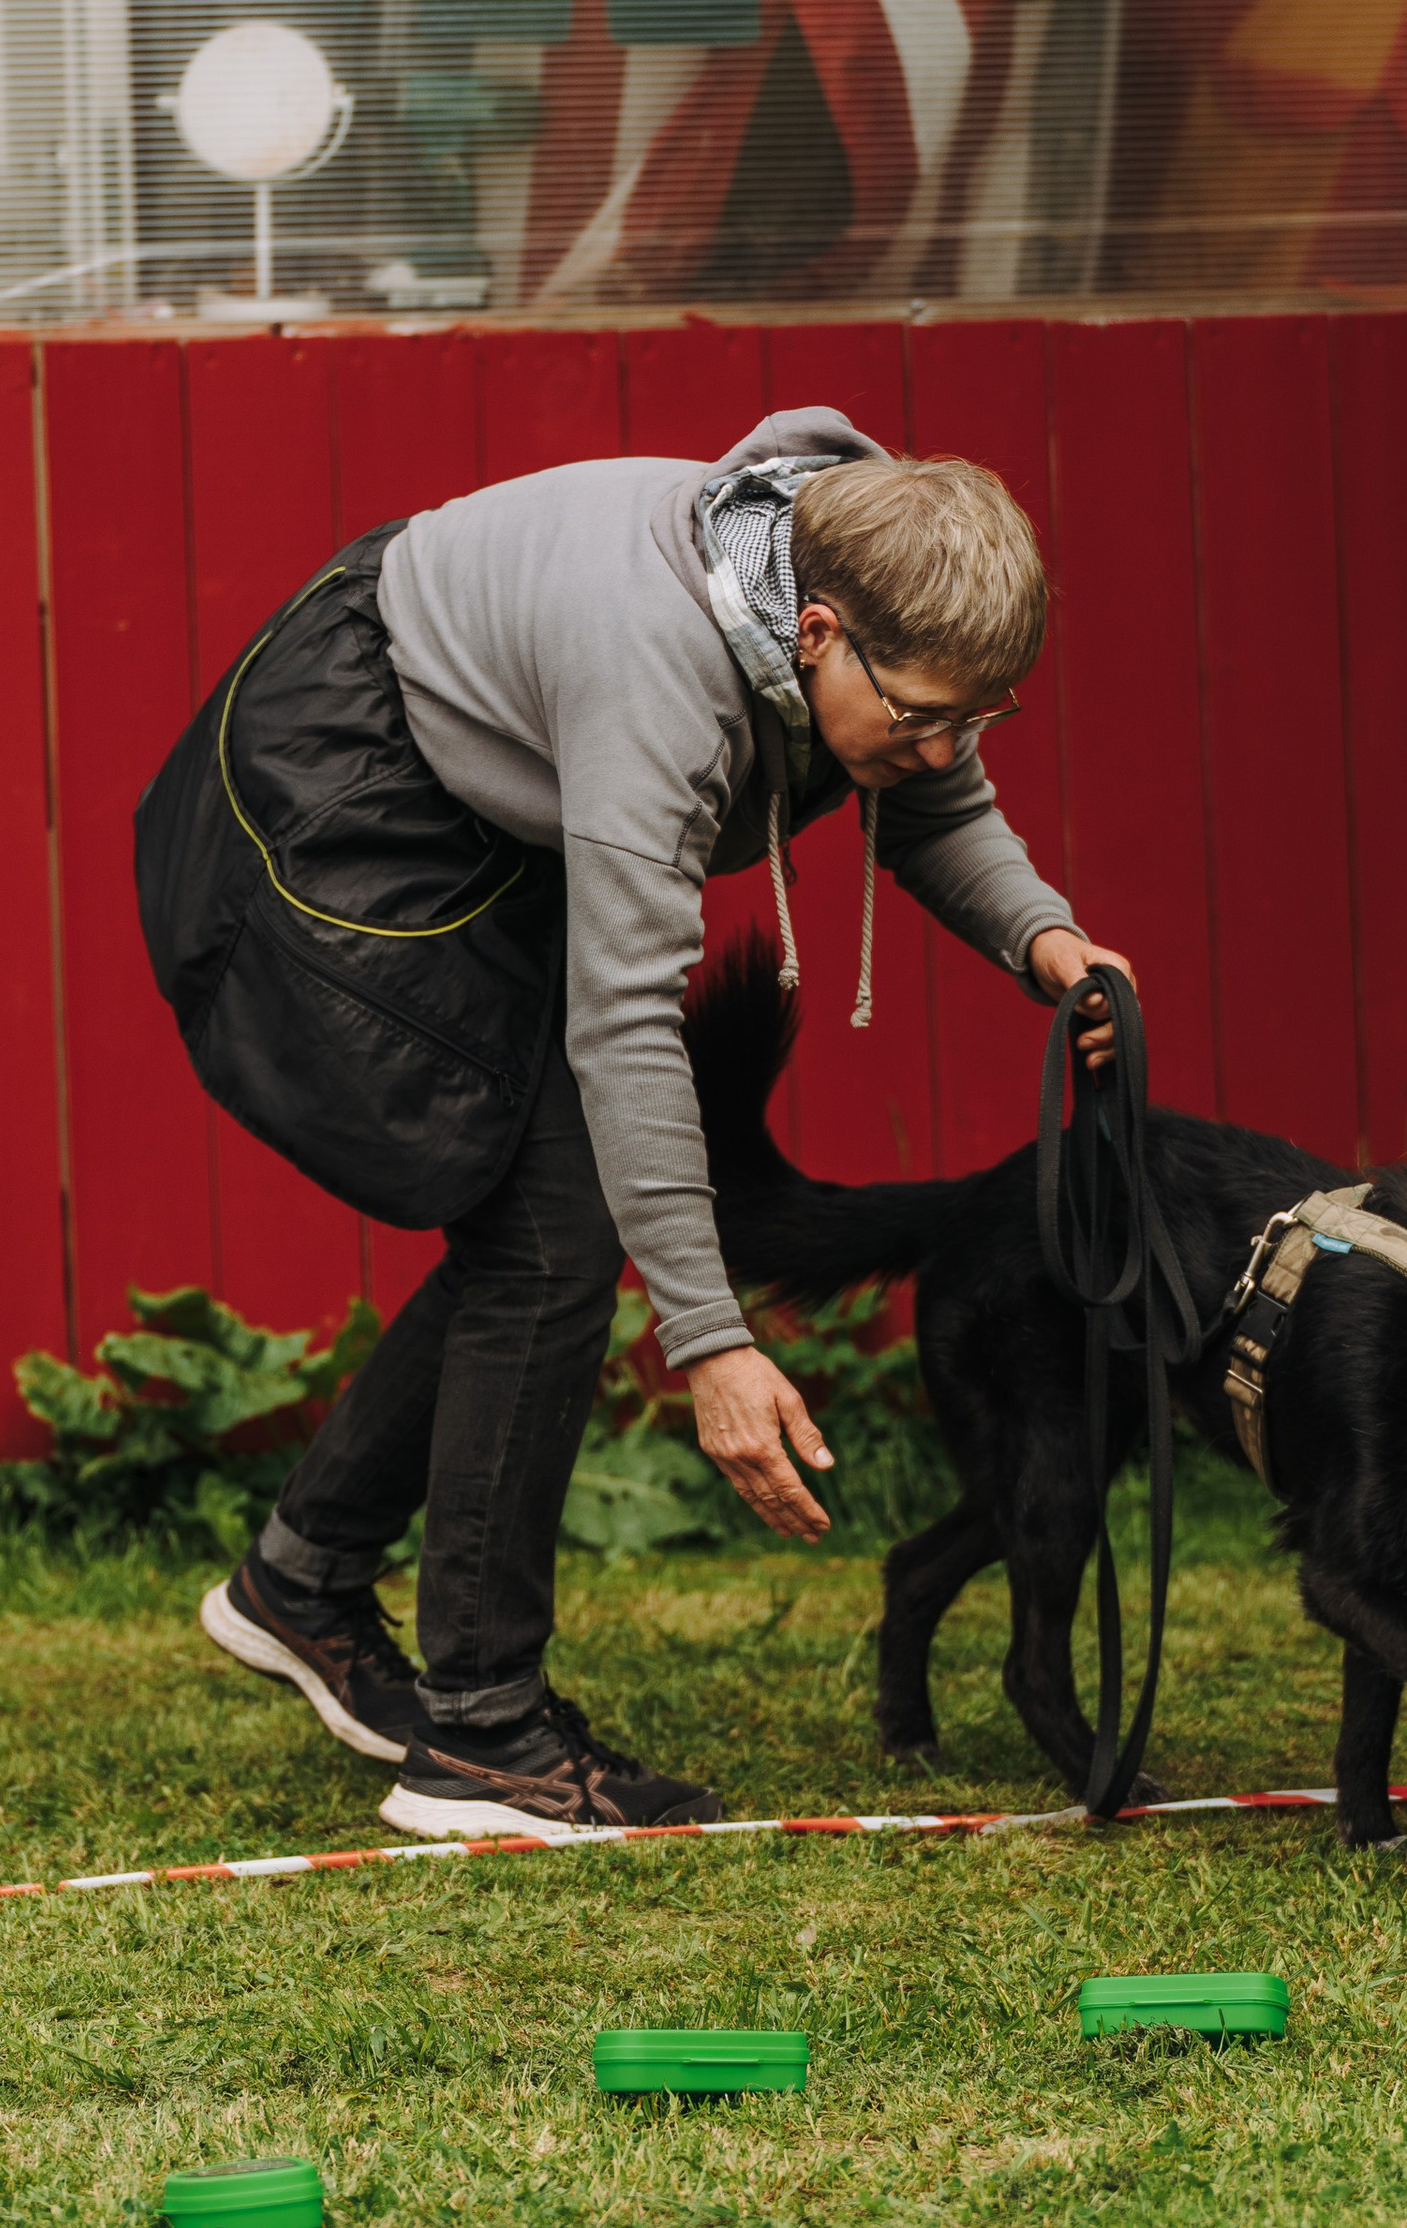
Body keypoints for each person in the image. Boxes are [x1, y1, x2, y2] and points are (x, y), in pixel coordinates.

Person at [134, 407, 1131, 1845]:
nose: (948, 748)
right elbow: (624, 1023)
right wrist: (712, 1342)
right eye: (922, 715)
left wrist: (1044, 939)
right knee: (547, 1229)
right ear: (818, 635)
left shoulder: (867, 572)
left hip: (482, 789)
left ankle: (305, 1580)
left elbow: (929, 798)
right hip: (338, 792)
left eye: (982, 717)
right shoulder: (656, 675)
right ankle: (479, 1738)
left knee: (543, 1224)